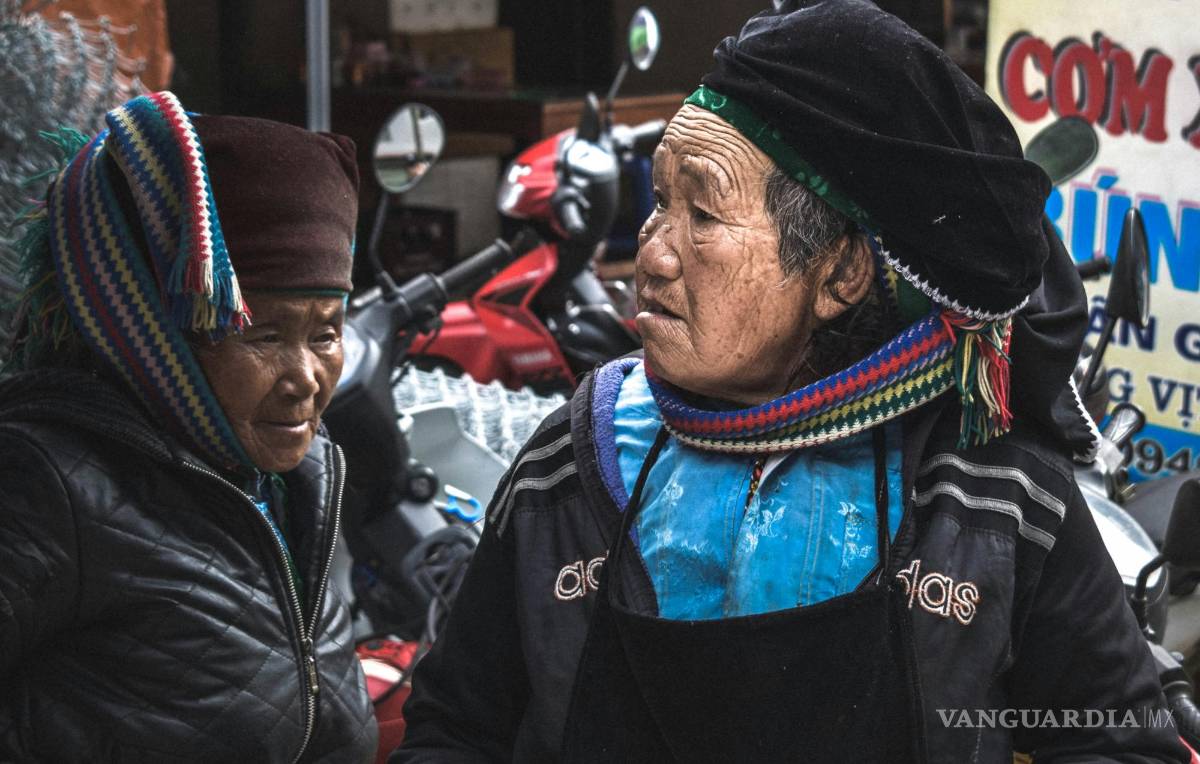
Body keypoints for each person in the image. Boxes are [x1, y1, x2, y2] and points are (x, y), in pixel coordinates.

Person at [395, 2, 1190, 763]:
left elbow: (1118, 743)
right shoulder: (573, 463)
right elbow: (453, 728)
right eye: (659, 202)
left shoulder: (989, 498)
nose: (652, 252)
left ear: (840, 272)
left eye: (702, 215)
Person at [0, 91, 377, 761]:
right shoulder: (45, 482)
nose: (305, 377)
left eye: (326, 333)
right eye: (262, 335)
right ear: (151, 330)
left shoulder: (302, 478)